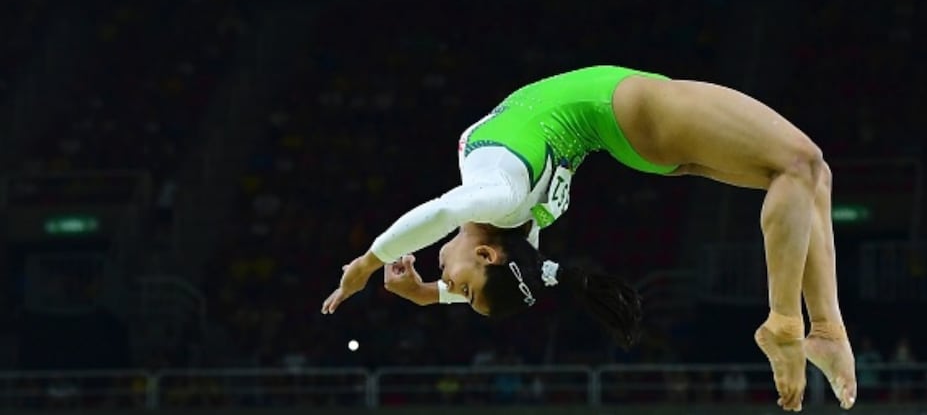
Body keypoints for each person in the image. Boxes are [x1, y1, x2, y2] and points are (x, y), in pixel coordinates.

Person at [321, 65, 857, 412]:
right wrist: (368, 263)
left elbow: (509, 262)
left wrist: (427, 294)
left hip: (637, 132)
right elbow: (443, 212)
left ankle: (827, 330)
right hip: (632, 109)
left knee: (810, 176)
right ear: (485, 253)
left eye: (458, 290)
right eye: (462, 287)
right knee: (800, 164)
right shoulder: (502, 198)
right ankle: (784, 322)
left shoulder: (517, 220)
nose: (449, 283)